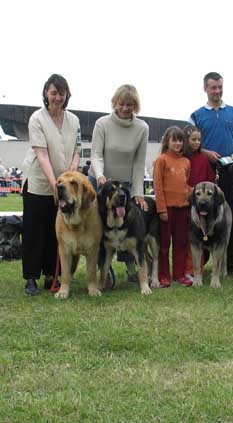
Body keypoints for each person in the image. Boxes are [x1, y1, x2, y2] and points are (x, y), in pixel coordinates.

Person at [21, 74, 81, 295]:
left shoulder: (74, 120)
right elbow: (42, 154)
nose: (57, 97)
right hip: (39, 182)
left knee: (55, 230)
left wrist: (70, 175)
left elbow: (77, 150)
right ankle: (31, 277)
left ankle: (51, 274)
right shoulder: (37, 119)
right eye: (53, 92)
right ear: (46, 93)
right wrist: (54, 183)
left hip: (65, 183)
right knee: (34, 230)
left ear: (67, 95)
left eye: (61, 93)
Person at [189, 72, 233, 277]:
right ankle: (200, 263)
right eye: (213, 87)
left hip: (228, 168)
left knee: (231, 215)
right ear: (205, 88)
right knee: (200, 214)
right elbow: (191, 141)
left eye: (220, 87)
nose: (217, 91)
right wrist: (205, 152)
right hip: (204, 168)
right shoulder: (196, 115)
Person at [91, 84, 150, 281]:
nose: (125, 108)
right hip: (102, 183)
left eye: (130, 104)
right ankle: (104, 271)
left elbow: (139, 162)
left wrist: (138, 192)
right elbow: (96, 155)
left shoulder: (142, 128)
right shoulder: (102, 124)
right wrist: (100, 176)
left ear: (136, 106)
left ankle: (132, 269)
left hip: (125, 186)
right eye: (122, 103)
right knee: (101, 229)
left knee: (129, 225)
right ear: (115, 103)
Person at [153, 126, 193, 288]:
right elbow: (157, 186)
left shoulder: (186, 162)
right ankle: (163, 275)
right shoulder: (161, 160)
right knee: (164, 245)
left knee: (181, 243)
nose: (177, 144)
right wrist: (161, 209)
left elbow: (186, 184)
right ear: (167, 142)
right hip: (167, 210)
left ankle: (179, 274)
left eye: (180, 140)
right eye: (174, 140)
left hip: (183, 208)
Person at [182, 124, 216, 280]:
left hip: (203, 204)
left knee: (201, 234)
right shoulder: (182, 158)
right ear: (186, 140)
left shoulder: (203, 158)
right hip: (186, 201)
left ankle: (198, 268)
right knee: (188, 237)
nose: (196, 142)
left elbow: (210, 179)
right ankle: (187, 269)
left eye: (198, 140)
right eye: (193, 139)